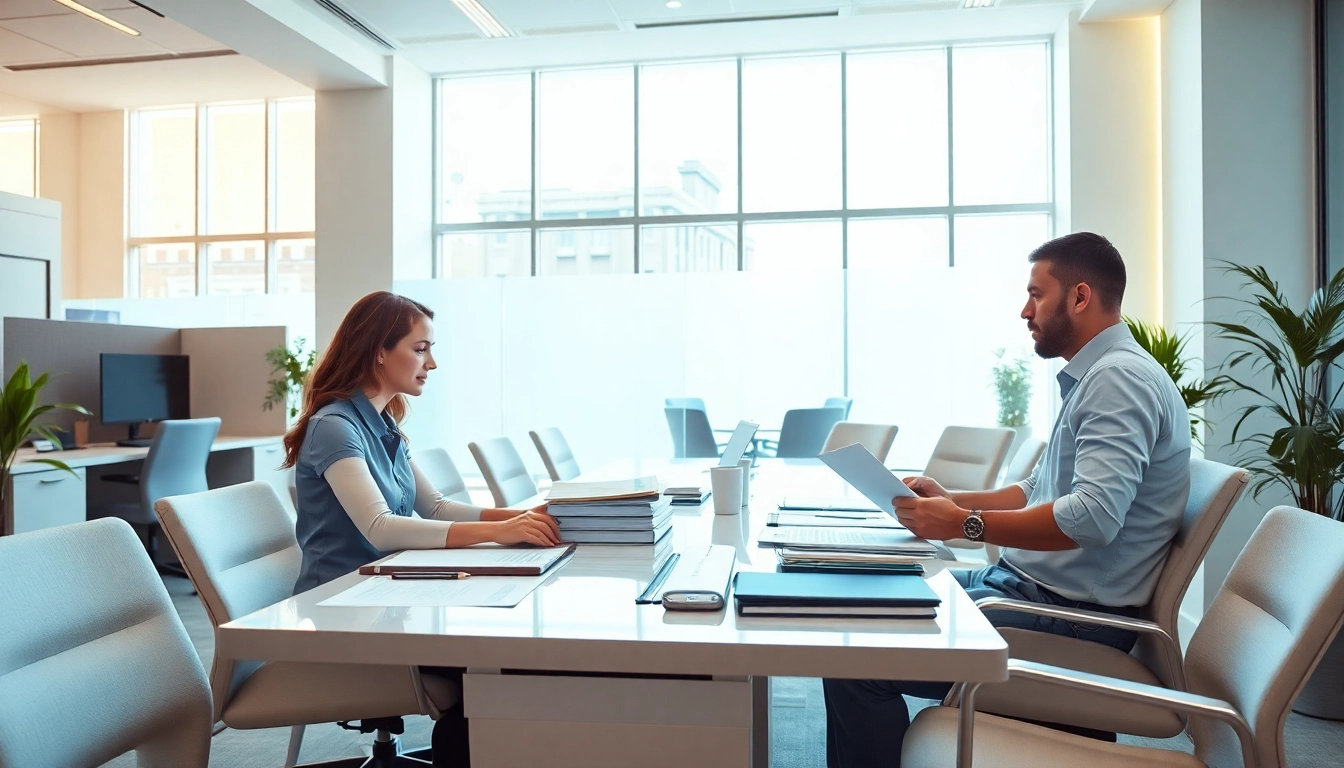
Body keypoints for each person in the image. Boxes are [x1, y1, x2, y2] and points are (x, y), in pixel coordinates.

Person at [823, 232, 1192, 768]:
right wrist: (953, 500)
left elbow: (1092, 517)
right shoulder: (1099, 375)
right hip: (1026, 590)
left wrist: (963, 524)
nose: (1025, 311)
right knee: (874, 606)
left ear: (1080, 297)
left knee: (857, 653)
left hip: (1063, 615)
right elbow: (1036, 489)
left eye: (1036, 294)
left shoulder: (1119, 381)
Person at [282, 290, 561, 768]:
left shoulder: (383, 423)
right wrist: (501, 533)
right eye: (420, 348)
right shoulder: (335, 426)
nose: (431, 363)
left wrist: (521, 518)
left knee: (510, 665)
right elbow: (382, 527)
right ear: (378, 352)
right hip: (344, 612)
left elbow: (432, 506)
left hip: (390, 598)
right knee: (496, 676)